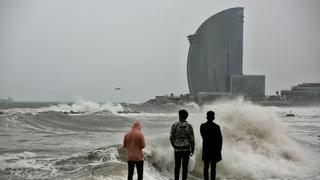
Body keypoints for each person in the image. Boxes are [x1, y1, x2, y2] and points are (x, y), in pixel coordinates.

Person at [170, 109, 195, 180]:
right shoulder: (189, 126)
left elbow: (171, 137)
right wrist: (193, 148)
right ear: (186, 117)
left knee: (177, 166)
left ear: (179, 116)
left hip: (177, 149)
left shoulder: (174, 125)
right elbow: (191, 138)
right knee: (185, 167)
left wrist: (174, 145)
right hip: (186, 149)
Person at [200, 111, 223, 180]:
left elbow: (203, 136)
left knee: (206, 166)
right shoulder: (216, 127)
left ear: (207, 117)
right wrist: (219, 149)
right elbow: (220, 139)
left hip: (206, 148)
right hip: (214, 149)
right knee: (213, 167)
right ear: (213, 117)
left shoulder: (202, 126)